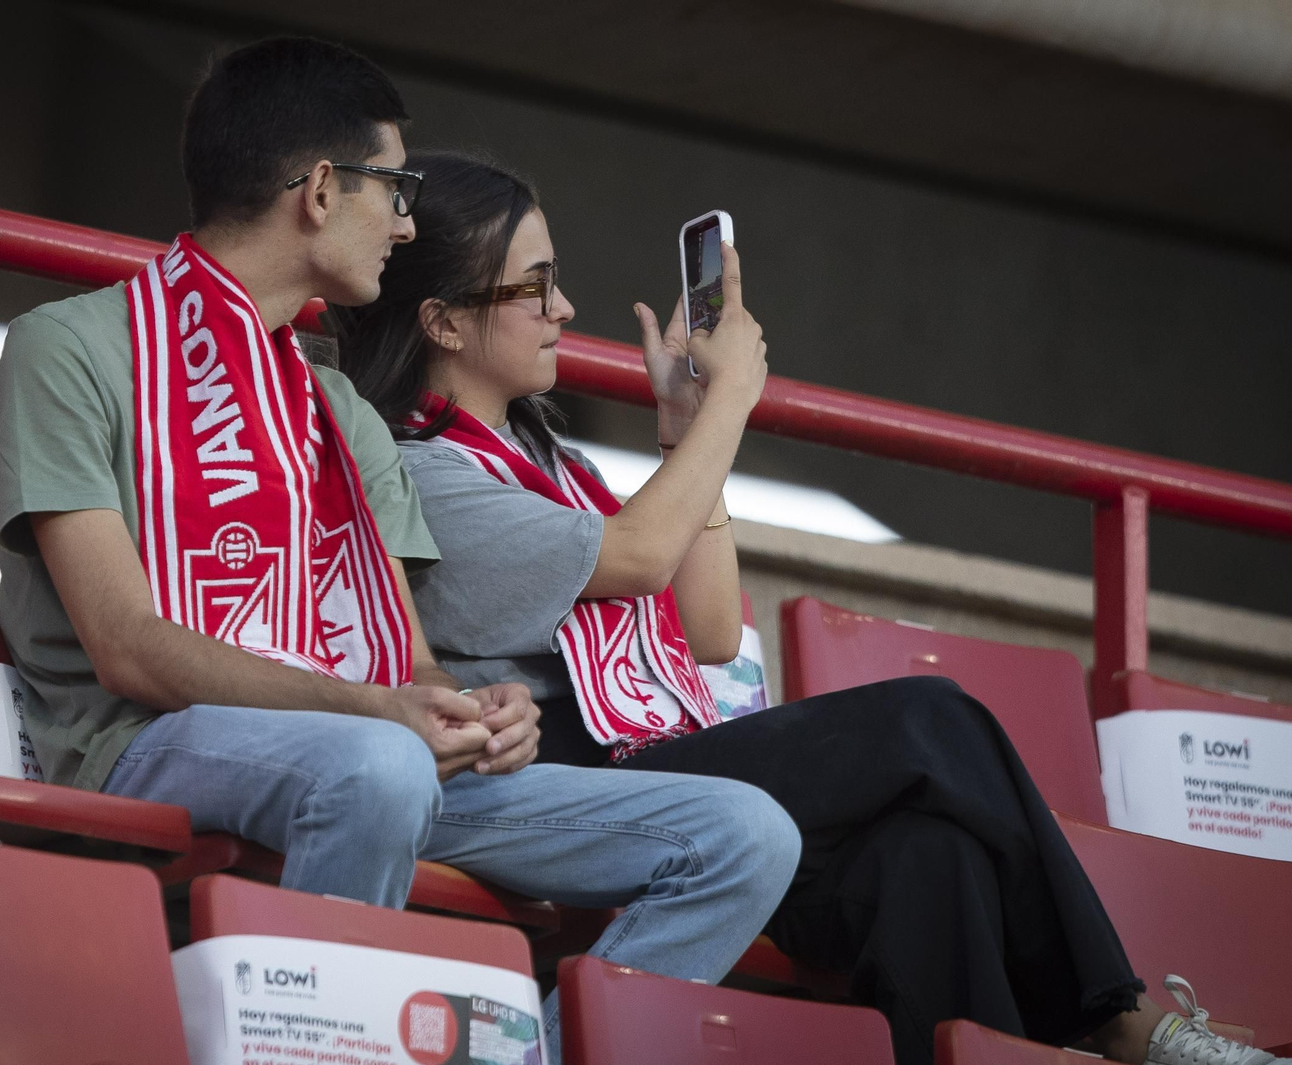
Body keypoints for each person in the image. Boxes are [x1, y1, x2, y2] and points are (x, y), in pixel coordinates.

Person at [333, 150, 1290, 1065]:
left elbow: (707, 631)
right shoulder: (430, 472)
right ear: (445, 323)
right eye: (533, 287)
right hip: (578, 781)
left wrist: (682, 439)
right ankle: (1119, 1019)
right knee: (929, 717)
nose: (564, 308)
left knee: (929, 858)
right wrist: (729, 410)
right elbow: (638, 554)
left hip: (664, 758)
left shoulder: (560, 466)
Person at [0, 38, 802, 1056]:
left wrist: (474, 714)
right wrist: (381, 713)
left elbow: (402, 661)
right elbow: (128, 649)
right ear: (322, 191)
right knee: (374, 765)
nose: (404, 222)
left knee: (742, 834)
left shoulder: (339, 409)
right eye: (393, 187)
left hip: (376, 756)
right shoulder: (69, 348)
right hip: (146, 740)